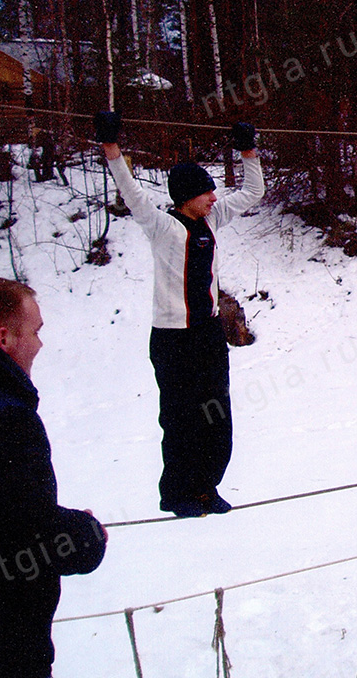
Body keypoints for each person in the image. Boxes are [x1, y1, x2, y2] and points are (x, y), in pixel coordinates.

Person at [94, 112, 265, 518]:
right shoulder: (161, 226)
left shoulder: (213, 219)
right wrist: (111, 147)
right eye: (206, 192)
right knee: (180, 419)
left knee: (216, 415)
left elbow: (253, 191)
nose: (213, 197)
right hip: (172, 338)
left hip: (207, 333)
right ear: (186, 196)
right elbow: (131, 192)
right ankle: (177, 494)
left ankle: (206, 487)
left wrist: (248, 150)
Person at [0, 277, 107, 677]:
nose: (41, 344)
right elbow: (26, 536)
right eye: (36, 331)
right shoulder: (5, 420)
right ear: (5, 337)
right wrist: (85, 534)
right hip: (0, 639)